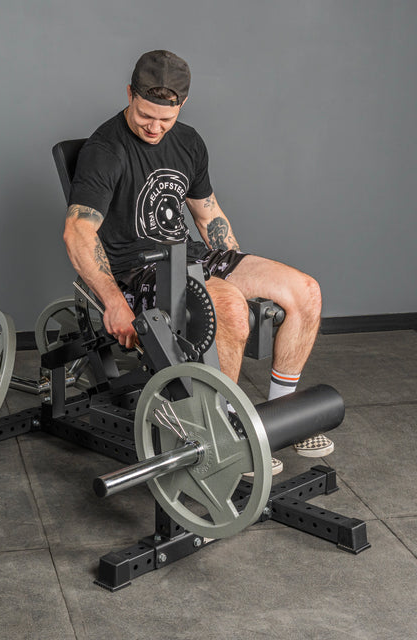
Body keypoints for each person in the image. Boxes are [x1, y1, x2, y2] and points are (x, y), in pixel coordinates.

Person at [63, 50, 333, 474]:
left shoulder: (188, 141)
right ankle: (223, 430)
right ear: (129, 93)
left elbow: (208, 214)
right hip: (139, 272)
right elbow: (78, 232)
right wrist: (114, 301)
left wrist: (237, 264)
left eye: (164, 120)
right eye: (144, 115)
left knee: (306, 290)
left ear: (182, 106)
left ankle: (282, 420)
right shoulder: (105, 149)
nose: (154, 128)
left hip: (191, 257)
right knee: (226, 305)